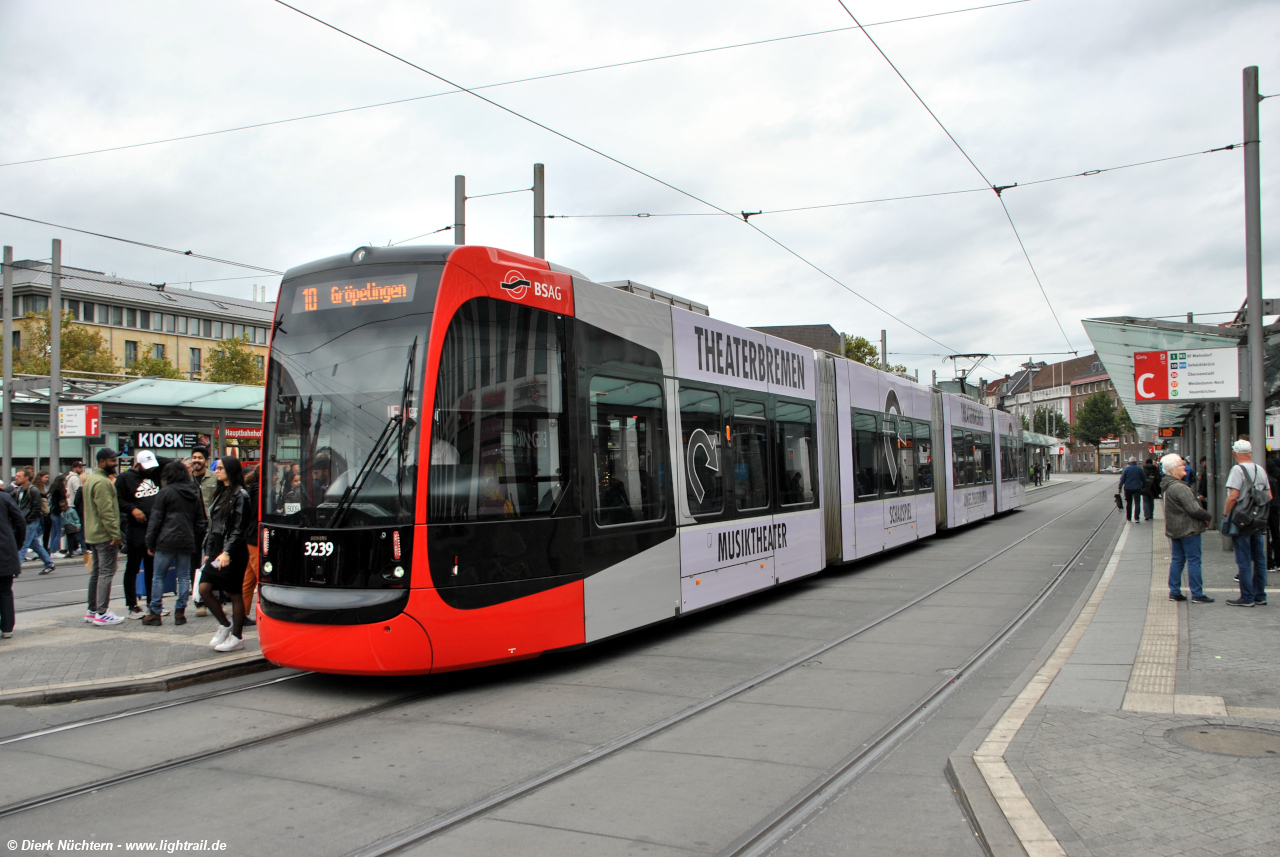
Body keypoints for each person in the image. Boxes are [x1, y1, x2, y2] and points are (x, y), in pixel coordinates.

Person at [199, 456, 253, 651]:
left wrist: (227, 552)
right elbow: (213, 525)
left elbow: (240, 528)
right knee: (204, 588)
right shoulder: (220, 492)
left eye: (220, 468)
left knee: (234, 593)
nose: (217, 471)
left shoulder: (241, 495)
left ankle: (237, 637)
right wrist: (209, 551)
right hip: (217, 549)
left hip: (233, 551)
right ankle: (224, 624)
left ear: (230, 470)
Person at [144, 460, 205, 626]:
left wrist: (150, 542)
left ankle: (155, 612)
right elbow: (200, 521)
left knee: (158, 577)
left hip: (166, 541)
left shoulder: (165, 493)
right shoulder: (194, 492)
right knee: (184, 576)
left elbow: (155, 520)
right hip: (186, 540)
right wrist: (194, 537)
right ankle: (180, 612)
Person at [117, 450, 167, 618]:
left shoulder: (155, 472)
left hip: (153, 528)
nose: (149, 470)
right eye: (146, 467)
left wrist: (152, 457)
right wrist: (132, 509)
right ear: (137, 464)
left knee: (152, 568)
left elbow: (168, 462)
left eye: (151, 466)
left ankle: (152, 603)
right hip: (136, 528)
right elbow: (118, 500)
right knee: (133, 567)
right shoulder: (125, 478)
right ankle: (132, 605)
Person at [1159, 453, 1214, 603]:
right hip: (1188, 529)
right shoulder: (1179, 487)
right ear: (1171, 470)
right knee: (1194, 560)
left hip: (1175, 529)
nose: (1184, 466)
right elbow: (1194, 509)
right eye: (1180, 465)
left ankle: (1174, 591)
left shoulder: (1168, 485)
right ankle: (1197, 594)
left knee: (1177, 560)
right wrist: (1208, 517)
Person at [1222, 439, 1270, 607]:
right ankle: (1260, 594)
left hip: (1242, 520)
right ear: (1250, 453)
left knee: (1243, 559)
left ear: (1235, 453)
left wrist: (1225, 512)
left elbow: (1233, 496)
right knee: (1259, 558)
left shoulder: (1237, 469)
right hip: (1258, 519)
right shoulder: (1260, 469)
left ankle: (1247, 597)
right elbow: (1268, 495)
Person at [83, 447, 126, 626]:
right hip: (104, 534)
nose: (115, 464)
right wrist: (115, 534)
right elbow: (106, 511)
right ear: (102, 462)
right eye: (112, 461)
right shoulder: (102, 482)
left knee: (96, 572)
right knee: (106, 573)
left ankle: (92, 610)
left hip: (93, 533)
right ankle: (102, 612)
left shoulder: (91, 479)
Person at [10, 468, 55, 574]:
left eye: (19, 476)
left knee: (23, 544)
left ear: (26, 477)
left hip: (30, 522)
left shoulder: (33, 490)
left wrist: (28, 519)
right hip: (24, 521)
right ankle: (49, 563)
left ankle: (15, 569)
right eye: (16, 476)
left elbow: (36, 507)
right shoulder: (20, 490)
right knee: (35, 544)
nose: (16, 478)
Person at [189, 446, 217, 617]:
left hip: (211, 526)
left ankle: (214, 597)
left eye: (199, 458)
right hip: (193, 526)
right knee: (195, 564)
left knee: (211, 561)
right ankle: (199, 601)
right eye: (194, 458)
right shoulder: (187, 479)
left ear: (206, 461)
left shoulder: (214, 478)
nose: (196, 460)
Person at [0, 488, 26, 639]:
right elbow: (20, 521)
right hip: (5, 550)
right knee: (5, 590)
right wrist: (17, 542)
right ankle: (7, 627)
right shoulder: (4, 498)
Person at [242, 466, 260, 625]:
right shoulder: (259, 493)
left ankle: (241, 612)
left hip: (248, 538)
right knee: (260, 577)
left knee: (248, 579)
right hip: (255, 538)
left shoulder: (249, 491)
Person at [46, 473, 68, 557]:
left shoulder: (53, 489)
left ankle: (52, 550)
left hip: (52, 512)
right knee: (58, 532)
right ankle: (55, 550)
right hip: (57, 513)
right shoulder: (60, 491)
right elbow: (59, 503)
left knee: (54, 532)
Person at [1119, 457, 1146, 523]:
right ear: (1136, 462)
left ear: (1129, 462)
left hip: (1128, 488)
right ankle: (1136, 518)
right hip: (1137, 487)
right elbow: (1144, 479)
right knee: (1137, 503)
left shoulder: (1126, 469)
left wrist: (1120, 487)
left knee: (1129, 503)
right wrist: (1143, 486)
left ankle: (1129, 518)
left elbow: (1122, 479)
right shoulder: (1140, 468)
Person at [1267, 452, 1280, 572]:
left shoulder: (1259, 470)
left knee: (1264, 534)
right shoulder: (1276, 470)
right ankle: (1278, 560)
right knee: (1276, 533)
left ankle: (1268, 562)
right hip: (1275, 505)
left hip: (1264, 506)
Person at [1141, 457, 1162, 521]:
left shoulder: (1143, 469)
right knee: (1151, 501)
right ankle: (1151, 515)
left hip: (1145, 487)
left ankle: (1146, 514)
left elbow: (1141, 478)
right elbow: (1158, 479)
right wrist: (1158, 489)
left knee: (1145, 501)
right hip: (1153, 487)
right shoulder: (1155, 469)